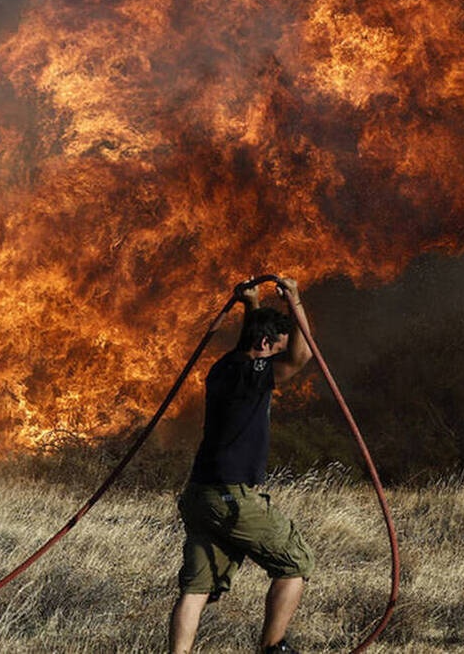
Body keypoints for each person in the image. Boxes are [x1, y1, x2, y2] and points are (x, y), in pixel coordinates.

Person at [168, 277, 315, 654]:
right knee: (296, 562)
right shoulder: (254, 374)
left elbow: (250, 341)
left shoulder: (223, 367)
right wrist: (294, 300)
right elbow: (301, 357)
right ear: (265, 345)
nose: (278, 357)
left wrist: (252, 303)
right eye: (276, 348)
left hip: (200, 495)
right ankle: (272, 648)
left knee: (196, 588)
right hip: (231, 496)